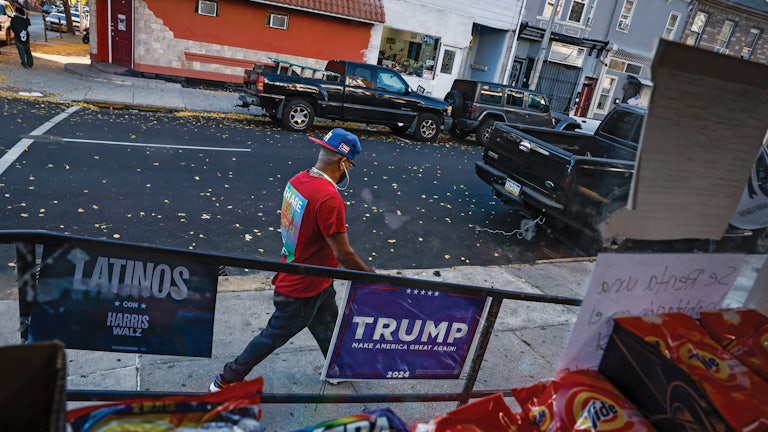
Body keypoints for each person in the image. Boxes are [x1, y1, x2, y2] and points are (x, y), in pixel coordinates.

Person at [210, 128, 374, 391]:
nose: (348, 171)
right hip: (302, 288)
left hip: (315, 278)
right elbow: (343, 253)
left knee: (329, 326)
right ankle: (227, 378)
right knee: (272, 336)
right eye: (349, 166)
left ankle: (337, 368)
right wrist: (370, 277)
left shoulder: (297, 180)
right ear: (343, 162)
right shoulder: (330, 199)